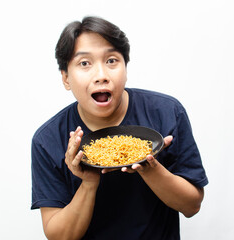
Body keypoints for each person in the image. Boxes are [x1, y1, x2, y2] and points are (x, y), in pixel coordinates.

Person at [31, 16, 208, 240]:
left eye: (112, 60)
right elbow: (60, 236)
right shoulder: (48, 140)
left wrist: (150, 167)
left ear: (125, 68)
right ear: (66, 78)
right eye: (84, 63)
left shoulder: (166, 113)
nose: (102, 76)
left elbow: (192, 206)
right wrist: (89, 181)